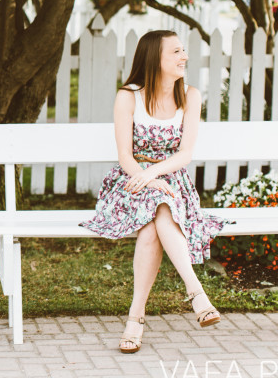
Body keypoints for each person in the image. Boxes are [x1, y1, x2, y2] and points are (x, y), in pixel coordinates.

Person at [79, 29, 226, 354]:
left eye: (182, 50)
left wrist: (156, 175)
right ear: (154, 59)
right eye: (175, 52)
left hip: (171, 181)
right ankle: (196, 293)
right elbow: (125, 157)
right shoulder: (128, 96)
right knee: (159, 205)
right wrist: (146, 178)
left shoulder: (190, 95)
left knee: (154, 223)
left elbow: (185, 153)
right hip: (130, 183)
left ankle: (136, 319)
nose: (183, 57)